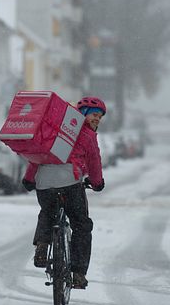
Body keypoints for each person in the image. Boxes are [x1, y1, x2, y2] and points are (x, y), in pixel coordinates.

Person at [21, 96, 106, 289]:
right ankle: (77, 274)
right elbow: (94, 161)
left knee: (48, 212)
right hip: (70, 183)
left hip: (44, 183)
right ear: (83, 114)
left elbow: (38, 156)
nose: (97, 119)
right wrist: (97, 183)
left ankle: (42, 245)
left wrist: (29, 179)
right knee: (81, 225)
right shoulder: (86, 135)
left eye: (100, 117)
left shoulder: (55, 130)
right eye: (94, 115)